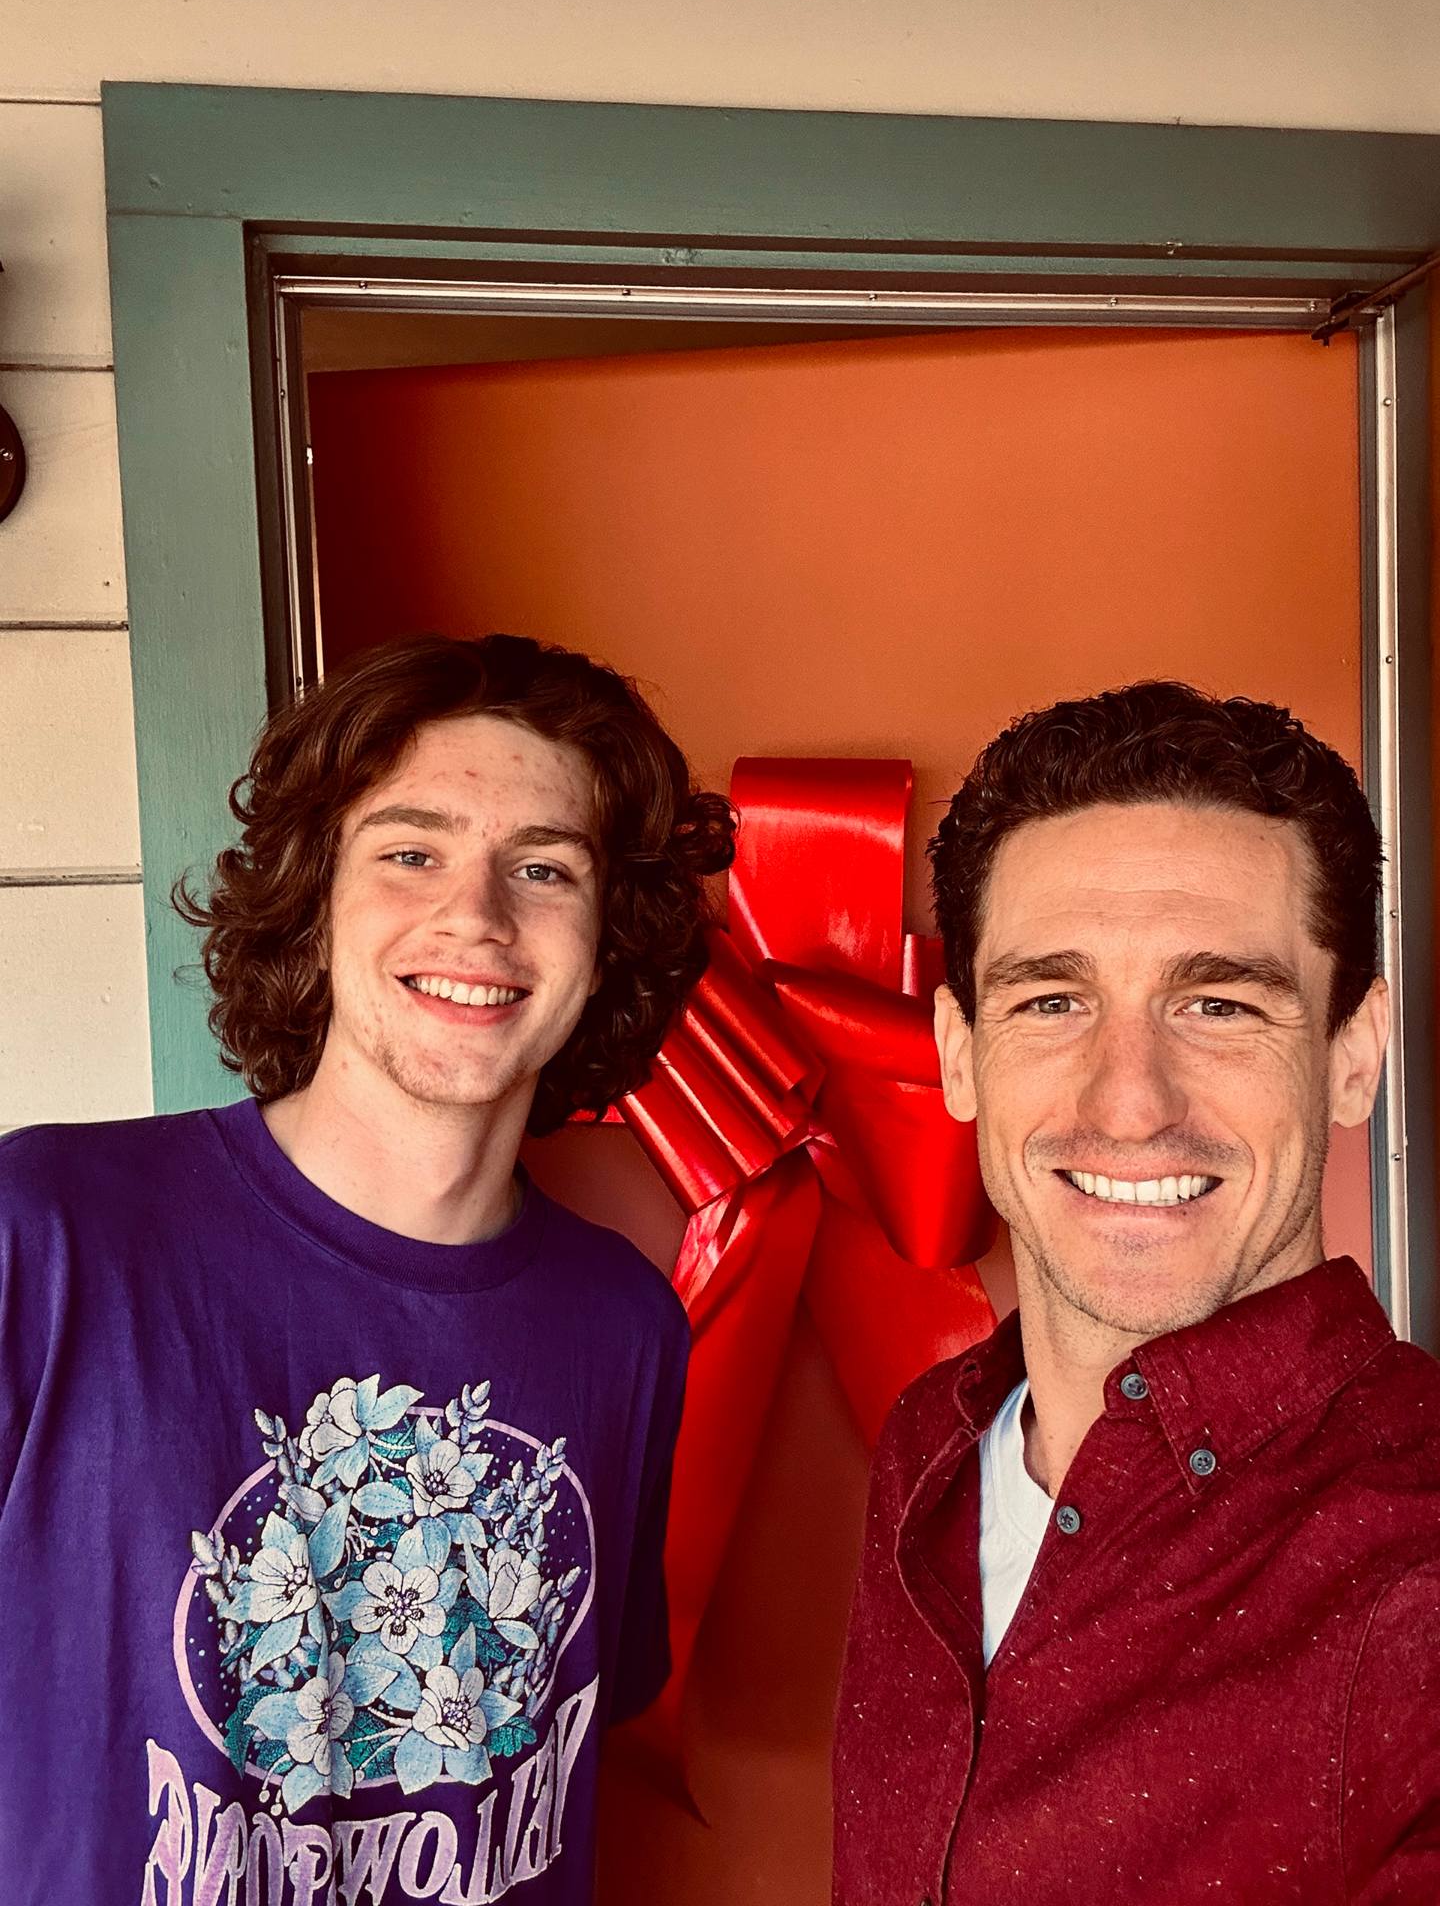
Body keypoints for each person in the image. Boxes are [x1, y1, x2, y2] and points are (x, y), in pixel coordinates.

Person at [0, 631, 734, 1906]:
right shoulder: (47, 1231)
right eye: (411, 853)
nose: (477, 916)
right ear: (316, 897)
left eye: (544, 868)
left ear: (608, 935)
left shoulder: (626, 1324)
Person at [833, 681, 1440, 1905]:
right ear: (960, 1055)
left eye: (1217, 1004)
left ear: (1353, 1055)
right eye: (1053, 1002)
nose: (1129, 1103)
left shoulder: (1416, 1566)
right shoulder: (929, 1449)